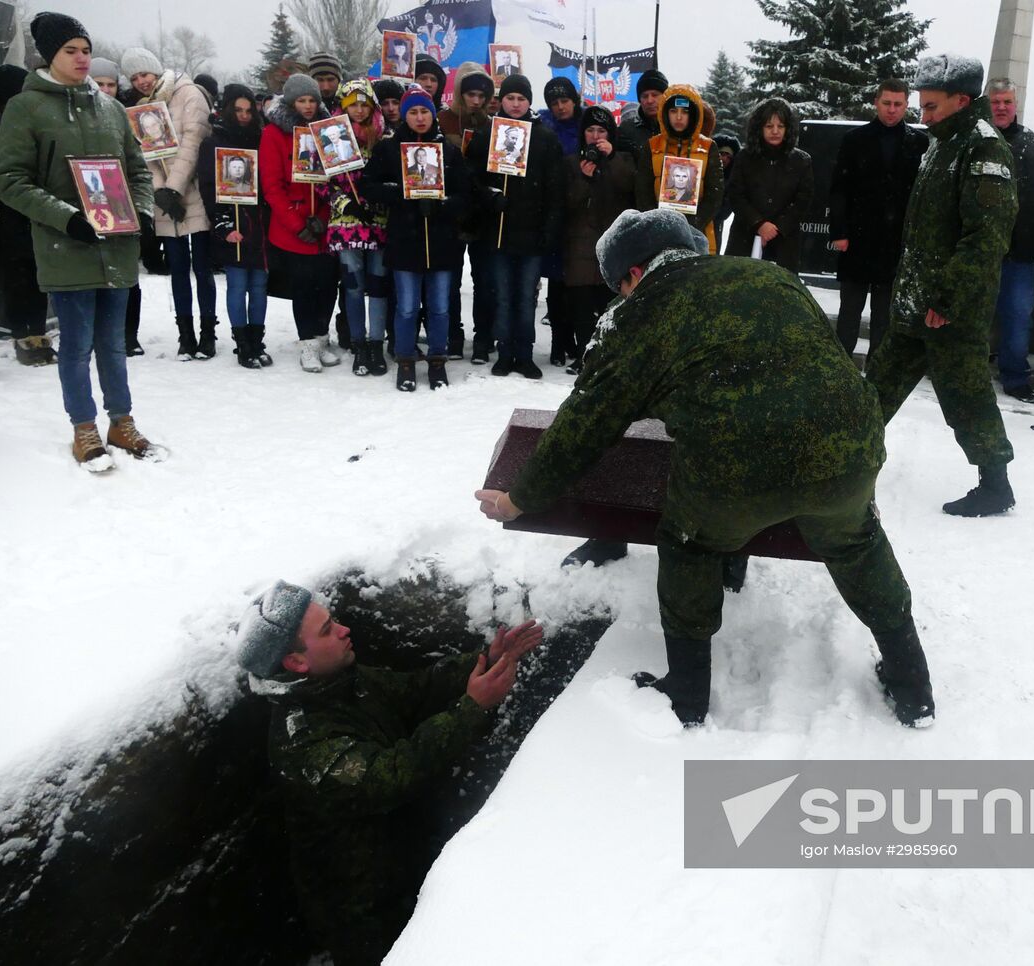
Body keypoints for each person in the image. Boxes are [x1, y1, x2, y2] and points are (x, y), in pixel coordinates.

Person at [474, 209, 935, 729]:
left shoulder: (636, 316)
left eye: (619, 287)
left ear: (631, 274)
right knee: (858, 544)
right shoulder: (771, 276)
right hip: (849, 447)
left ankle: (687, 696)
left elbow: (583, 427)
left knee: (690, 544)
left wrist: (520, 498)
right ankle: (912, 685)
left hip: (734, 471)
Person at [236, 578, 544, 966]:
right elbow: (393, 775)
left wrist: (484, 657)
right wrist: (471, 708)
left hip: (403, 861)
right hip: (363, 906)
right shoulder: (304, 744)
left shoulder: (340, 681)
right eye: (328, 629)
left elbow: (414, 690)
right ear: (297, 662)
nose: (345, 629)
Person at [0, 12, 158, 471]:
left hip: (117, 246)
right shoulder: (26, 108)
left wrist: (141, 212)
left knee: (113, 343)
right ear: (51, 56)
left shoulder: (110, 108)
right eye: (71, 51)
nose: (82, 58)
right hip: (67, 247)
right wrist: (67, 219)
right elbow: (9, 179)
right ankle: (83, 427)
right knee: (77, 343)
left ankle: (121, 421)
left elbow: (138, 171)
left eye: (85, 50)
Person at [862, 54, 1019, 517]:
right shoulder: (942, 143)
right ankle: (837, 464)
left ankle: (995, 484)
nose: (922, 115)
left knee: (966, 397)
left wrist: (950, 297)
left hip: (951, 312)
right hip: (915, 305)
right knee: (875, 390)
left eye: (931, 107)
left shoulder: (983, 149)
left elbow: (985, 237)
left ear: (961, 101)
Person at [363, 83, 473, 391]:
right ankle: (406, 360)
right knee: (407, 307)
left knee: (440, 307)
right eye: (413, 111)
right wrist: (401, 193)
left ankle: (437, 361)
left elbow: (465, 193)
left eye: (425, 111)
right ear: (404, 114)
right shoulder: (388, 149)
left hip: (442, 243)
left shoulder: (448, 151)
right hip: (405, 242)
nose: (420, 117)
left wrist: (443, 204)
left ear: (433, 114)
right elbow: (369, 185)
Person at [464, 74, 564, 379]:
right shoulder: (488, 134)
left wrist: (549, 228)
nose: (516, 104)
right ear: (501, 100)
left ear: (529, 102)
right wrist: (489, 196)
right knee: (503, 295)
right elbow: (471, 177)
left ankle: (525, 353)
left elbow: (555, 188)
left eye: (521, 99)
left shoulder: (545, 138)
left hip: (531, 232)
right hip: (498, 231)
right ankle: (505, 351)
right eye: (510, 98)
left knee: (525, 297)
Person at [122, 46, 219, 361]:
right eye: (134, 77)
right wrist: (161, 191)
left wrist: (174, 187)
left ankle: (207, 332)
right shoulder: (141, 107)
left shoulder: (188, 93)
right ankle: (186, 334)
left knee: (202, 268)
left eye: (145, 74)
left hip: (193, 191)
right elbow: (145, 155)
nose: (141, 81)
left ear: (156, 70)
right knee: (178, 268)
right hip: (165, 196)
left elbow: (194, 141)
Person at [828, 79, 928, 357]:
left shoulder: (919, 143)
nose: (892, 110)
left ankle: (877, 376)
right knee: (849, 312)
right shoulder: (854, 140)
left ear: (907, 105)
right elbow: (839, 189)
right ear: (876, 102)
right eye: (887, 103)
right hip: (857, 240)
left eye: (898, 104)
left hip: (894, 245)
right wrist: (839, 232)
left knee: (884, 319)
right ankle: (842, 372)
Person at [0, 64, 52, 369]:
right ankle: (22, 336)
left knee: (38, 274)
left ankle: (39, 334)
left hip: (33, 205)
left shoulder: (28, 120)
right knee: (18, 274)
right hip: (6, 210)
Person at [260, 73, 340, 373]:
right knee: (305, 287)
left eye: (312, 100)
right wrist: (297, 224)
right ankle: (307, 341)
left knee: (328, 284)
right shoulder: (273, 133)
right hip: (292, 224)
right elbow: (272, 186)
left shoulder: (326, 130)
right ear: (291, 102)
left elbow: (335, 177)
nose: (307, 106)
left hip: (323, 222)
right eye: (301, 101)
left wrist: (322, 218)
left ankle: (321, 336)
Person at [987, 78, 1034, 403]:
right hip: (981, 247)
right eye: (996, 101)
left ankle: (1015, 377)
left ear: (1015, 104)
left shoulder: (1029, 140)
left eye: (1007, 102)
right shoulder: (976, 138)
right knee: (974, 314)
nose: (1001, 107)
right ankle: (964, 370)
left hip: (1021, 250)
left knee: (1017, 316)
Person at [198, 83, 272, 369]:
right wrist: (223, 224)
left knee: (259, 285)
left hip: (259, 222)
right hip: (232, 223)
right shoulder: (213, 143)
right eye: (237, 110)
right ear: (227, 110)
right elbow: (207, 187)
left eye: (248, 110)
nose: (243, 115)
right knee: (237, 284)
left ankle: (257, 338)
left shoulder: (260, 139)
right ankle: (242, 342)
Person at [561, 105, 636, 373]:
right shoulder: (571, 163)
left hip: (613, 246)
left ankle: (608, 356)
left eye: (601, 130)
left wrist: (611, 157)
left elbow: (629, 189)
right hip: (580, 245)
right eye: (590, 130)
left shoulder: (623, 160)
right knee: (581, 308)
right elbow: (565, 203)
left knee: (610, 306)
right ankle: (583, 354)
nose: (595, 136)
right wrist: (584, 178)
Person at [326, 79, 390, 378]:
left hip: (378, 221)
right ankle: (359, 343)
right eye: (354, 105)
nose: (360, 110)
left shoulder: (383, 136)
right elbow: (322, 182)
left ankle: (377, 342)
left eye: (365, 104)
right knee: (353, 286)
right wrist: (345, 205)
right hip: (347, 224)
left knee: (378, 285)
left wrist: (379, 201)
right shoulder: (332, 137)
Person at [88, 58, 148, 356]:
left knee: (127, 273)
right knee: (93, 272)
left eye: (111, 84)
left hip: (122, 198)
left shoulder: (124, 115)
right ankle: (100, 334)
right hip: (91, 198)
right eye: (100, 84)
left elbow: (138, 161)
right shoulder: (79, 114)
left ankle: (128, 334)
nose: (106, 90)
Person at [439, 62, 496, 362]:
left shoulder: (493, 125)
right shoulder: (443, 121)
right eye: (471, 93)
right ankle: (453, 335)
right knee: (449, 281)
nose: (476, 100)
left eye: (481, 95)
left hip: (482, 212)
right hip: (450, 213)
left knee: (484, 281)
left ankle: (484, 338)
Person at [724, 97, 814, 272]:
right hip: (744, 237)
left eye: (780, 126)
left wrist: (778, 227)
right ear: (759, 128)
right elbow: (736, 194)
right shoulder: (744, 158)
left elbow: (804, 199)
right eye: (769, 126)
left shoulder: (801, 161)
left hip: (785, 241)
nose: (775, 131)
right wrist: (759, 223)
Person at [636, 84, 724, 252]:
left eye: (685, 112)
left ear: (694, 115)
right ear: (664, 113)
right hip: (659, 233)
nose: (678, 117)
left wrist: (695, 223)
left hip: (699, 233)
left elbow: (715, 193)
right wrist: (659, 222)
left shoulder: (708, 147)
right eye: (673, 111)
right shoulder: (652, 146)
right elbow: (643, 191)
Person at [539, 76, 582, 366]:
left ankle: (576, 339)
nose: (560, 107)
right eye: (554, 103)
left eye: (564, 101)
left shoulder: (585, 126)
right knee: (556, 282)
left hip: (580, 212)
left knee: (578, 283)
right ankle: (558, 339)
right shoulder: (545, 127)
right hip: (552, 210)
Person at [618, 69, 668, 152]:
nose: (650, 100)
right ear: (639, 100)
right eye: (645, 96)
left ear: (665, 97)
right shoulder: (626, 130)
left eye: (655, 95)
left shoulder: (677, 127)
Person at [711, 132, 740, 250]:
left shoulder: (732, 179)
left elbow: (728, 206)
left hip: (716, 223)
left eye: (728, 156)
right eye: (721, 154)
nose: (724, 159)